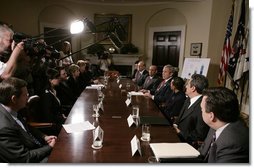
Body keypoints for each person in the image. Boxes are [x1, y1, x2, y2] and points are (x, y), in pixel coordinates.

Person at [0, 77, 56, 162]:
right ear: (14, 99)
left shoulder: (12, 109)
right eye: (25, 94)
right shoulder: (4, 128)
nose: (28, 96)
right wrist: (50, 147)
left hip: (36, 149)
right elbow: (24, 158)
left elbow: (26, 127)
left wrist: (44, 137)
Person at [199, 87, 249, 163]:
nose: (201, 111)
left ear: (211, 116)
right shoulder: (217, 124)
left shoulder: (232, 144)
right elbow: (203, 152)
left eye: (201, 109)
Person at [173, 74, 209, 147]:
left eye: (188, 84)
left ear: (193, 88)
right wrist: (175, 125)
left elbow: (200, 134)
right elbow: (180, 117)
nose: (185, 86)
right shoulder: (188, 99)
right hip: (176, 137)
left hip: (187, 145)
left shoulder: (202, 106)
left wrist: (179, 132)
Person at [40, 68, 66, 135]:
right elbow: (48, 117)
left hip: (58, 121)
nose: (59, 79)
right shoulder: (46, 94)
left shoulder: (54, 90)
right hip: (52, 126)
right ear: (50, 80)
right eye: (56, 78)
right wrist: (63, 119)